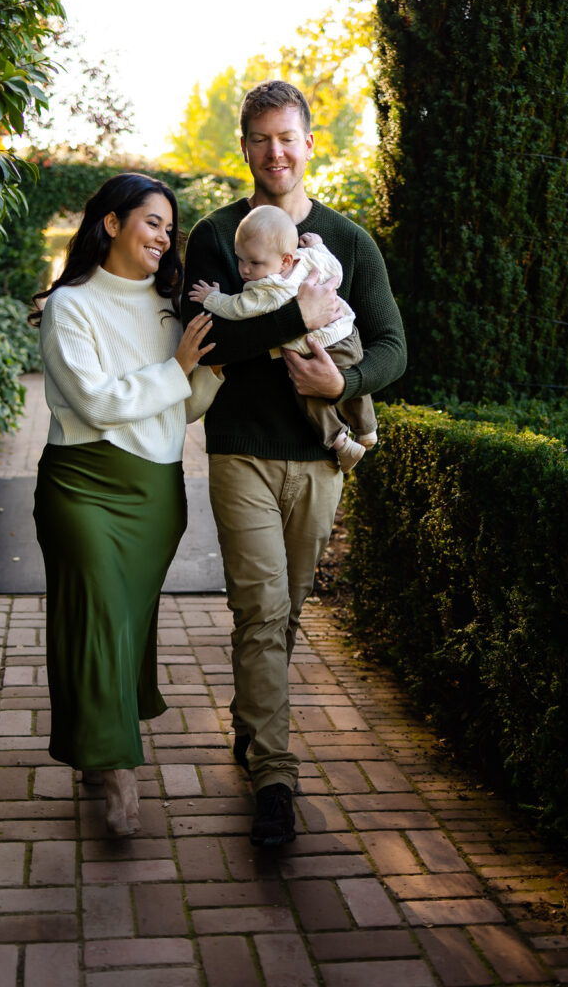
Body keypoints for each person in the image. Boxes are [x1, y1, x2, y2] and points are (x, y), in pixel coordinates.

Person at [181, 80, 406, 847]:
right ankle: (274, 777)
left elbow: (390, 346)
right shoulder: (214, 236)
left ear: (310, 144)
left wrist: (342, 381)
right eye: (259, 138)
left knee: (290, 606)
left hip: (318, 461)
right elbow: (204, 337)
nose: (274, 152)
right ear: (243, 147)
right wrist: (295, 316)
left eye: (287, 137)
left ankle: (253, 723)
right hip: (241, 451)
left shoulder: (347, 241)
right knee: (261, 608)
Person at [31, 173, 221, 837]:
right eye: (151, 223)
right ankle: (116, 769)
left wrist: (208, 374)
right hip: (81, 486)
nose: (164, 238)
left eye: (169, 228)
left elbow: (184, 405)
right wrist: (176, 369)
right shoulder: (71, 306)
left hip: (155, 493)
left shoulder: (173, 308)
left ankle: (93, 739)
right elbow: (97, 403)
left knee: (124, 621)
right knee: (98, 616)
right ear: (111, 224)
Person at [189, 203, 378, 472]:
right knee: (352, 374)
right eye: (240, 259)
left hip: (315, 347)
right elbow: (335, 268)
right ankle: (368, 430)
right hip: (346, 334)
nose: (244, 270)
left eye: (254, 262)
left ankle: (340, 442)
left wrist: (212, 297)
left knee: (307, 391)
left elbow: (237, 308)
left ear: (285, 261)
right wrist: (318, 245)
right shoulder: (308, 259)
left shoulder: (267, 288)